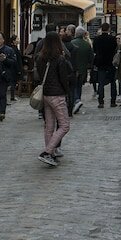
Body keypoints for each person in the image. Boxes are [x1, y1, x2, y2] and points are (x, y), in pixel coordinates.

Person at [34, 32, 74, 167]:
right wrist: (67, 92)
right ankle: (48, 151)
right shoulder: (59, 59)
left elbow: (39, 75)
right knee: (64, 125)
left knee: (49, 126)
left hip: (46, 94)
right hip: (57, 94)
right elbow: (64, 78)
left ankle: (49, 154)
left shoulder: (40, 57)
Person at [92, 23, 118, 108]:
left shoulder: (96, 39)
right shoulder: (112, 39)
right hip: (110, 62)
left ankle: (101, 101)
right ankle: (113, 101)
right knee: (113, 82)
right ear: (109, 29)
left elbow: (94, 50)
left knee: (101, 83)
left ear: (101, 29)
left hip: (100, 63)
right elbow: (115, 49)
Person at [68, 26, 93, 115]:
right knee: (79, 86)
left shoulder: (71, 43)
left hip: (73, 69)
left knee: (73, 87)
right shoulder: (87, 45)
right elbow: (91, 58)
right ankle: (78, 101)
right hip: (83, 70)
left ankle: (76, 101)